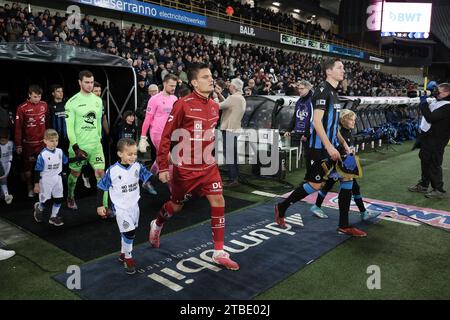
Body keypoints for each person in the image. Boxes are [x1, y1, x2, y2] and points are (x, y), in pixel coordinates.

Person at [148, 63, 240, 270]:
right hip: (185, 170)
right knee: (176, 206)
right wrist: (163, 167)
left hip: (208, 167)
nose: (211, 79)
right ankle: (158, 223)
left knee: (218, 200)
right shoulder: (182, 104)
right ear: (194, 82)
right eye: (206, 77)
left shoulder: (215, 106)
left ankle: (219, 251)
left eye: (211, 76)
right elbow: (166, 136)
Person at [275, 58, 367, 237]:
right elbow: (316, 122)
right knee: (315, 185)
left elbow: (332, 125)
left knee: (347, 179)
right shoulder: (322, 91)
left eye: (343, 67)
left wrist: (343, 145)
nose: (343, 70)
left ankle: (344, 225)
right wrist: (329, 147)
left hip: (332, 146)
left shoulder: (334, 92)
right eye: (339, 67)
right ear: (329, 71)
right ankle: (282, 206)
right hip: (318, 148)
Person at [310, 109, 379, 220]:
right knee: (343, 186)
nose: (354, 122)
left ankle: (317, 206)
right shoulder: (339, 132)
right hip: (340, 163)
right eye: (351, 120)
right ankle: (363, 213)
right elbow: (333, 148)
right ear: (343, 120)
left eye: (354, 120)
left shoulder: (349, 131)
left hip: (347, 162)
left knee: (340, 186)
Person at [97, 138, 153, 274]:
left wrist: (150, 181)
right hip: (120, 208)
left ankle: (123, 254)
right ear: (120, 154)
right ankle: (128, 259)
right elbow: (101, 187)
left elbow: (148, 176)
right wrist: (100, 205)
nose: (133, 157)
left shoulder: (138, 166)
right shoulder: (113, 171)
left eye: (135, 154)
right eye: (129, 154)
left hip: (134, 206)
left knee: (130, 234)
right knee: (129, 232)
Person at [65, 70, 109, 212]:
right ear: (80, 82)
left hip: (95, 146)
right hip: (78, 147)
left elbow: (98, 123)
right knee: (75, 175)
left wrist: (99, 139)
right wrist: (76, 148)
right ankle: (70, 196)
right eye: (87, 82)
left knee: (101, 174)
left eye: (91, 82)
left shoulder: (98, 100)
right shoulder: (71, 102)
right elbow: (69, 129)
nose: (90, 85)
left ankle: (104, 207)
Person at [138, 74, 179, 195]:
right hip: (156, 133)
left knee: (158, 159)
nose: (173, 88)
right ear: (165, 83)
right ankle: (174, 193)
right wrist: (143, 137)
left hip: (169, 134)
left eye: (175, 86)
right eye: (171, 85)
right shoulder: (154, 99)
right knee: (168, 160)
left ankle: (146, 180)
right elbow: (147, 119)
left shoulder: (174, 99)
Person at [409, 83, 450, 198]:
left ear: (447, 93)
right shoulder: (438, 102)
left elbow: (430, 118)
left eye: (439, 91)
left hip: (437, 139)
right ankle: (423, 185)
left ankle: (439, 189)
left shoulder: (447, 106)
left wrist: (423, 103)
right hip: (429, 137)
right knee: (425, 160)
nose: (436, 92)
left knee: (434, 163)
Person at [15, 85, 49, 197]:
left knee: (43, 167)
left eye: (39, 96)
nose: (37, 99)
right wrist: (18, 144)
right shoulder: (22, 108)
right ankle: (29, 187)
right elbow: (18, 128)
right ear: (29, 95)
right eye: (35, 96)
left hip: (42, 143)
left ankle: (42, 187)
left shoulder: (44, 105)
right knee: (28, 168)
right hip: (28, 144)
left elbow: (48, 123)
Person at [33, 129, 68, 226]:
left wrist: (78, 158)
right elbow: (37, 170)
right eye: (52, 141)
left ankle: (53, 217)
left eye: (56, 140)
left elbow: (66, 161)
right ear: (45, 141)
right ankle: (39, 208)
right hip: (45, 180)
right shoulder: (43, 155)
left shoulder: (60, 151)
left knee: (59, 198)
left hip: (57, 178)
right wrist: (36, 184)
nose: (54, 143)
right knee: (45, 200)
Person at [215, 78, 246, 187]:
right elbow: (227, 103)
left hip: (228, 129)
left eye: (231, 85)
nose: (229, 86)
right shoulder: (240, 98)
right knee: (233, 155)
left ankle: (233, 179)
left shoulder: (233, 98)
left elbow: (218, 106)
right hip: (235, 129)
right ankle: (235, 177)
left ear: (234, 87)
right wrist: (219, 95)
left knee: (229, 155)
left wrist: (213, 98)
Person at [284, 80, 313, 148]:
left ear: (308, 89)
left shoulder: (312, 101)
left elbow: (312, 119)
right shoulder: (299, 101)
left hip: (308, 134)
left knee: (306, 155)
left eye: (302, 89)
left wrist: (306, 134)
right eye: (299, 88)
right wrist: (289, 130)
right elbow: (295, 117)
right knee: (296, 154)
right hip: (297, 132)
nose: (299, 90)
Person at [48, 84, 68, 155]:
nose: (61, 93)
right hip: (55, 139)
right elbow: (48, 122)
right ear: (53, 93)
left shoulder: (68, 104)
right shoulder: (49, 106)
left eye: (62, 91)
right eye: (58, 91)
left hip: (67, 138)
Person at [0, 129, 13, 204]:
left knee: (4, 180)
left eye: (5, 140)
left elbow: (11, 155)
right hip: (0, 163)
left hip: (7, 163)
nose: (3, 142)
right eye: (1, 140)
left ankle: (6, 195)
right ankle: (5, 195)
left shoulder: (11, 144)